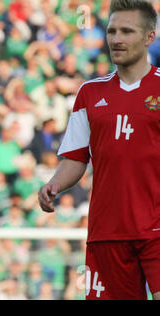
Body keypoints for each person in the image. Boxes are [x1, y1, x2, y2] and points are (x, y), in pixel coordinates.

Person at [39, 0, 160, 300]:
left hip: (157, 229)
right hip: (107, 233)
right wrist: (55, 184)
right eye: (112, 31)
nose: (116, 39)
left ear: (149, 37)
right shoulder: (89, 93)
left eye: (127, 31)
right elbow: (76, 158)